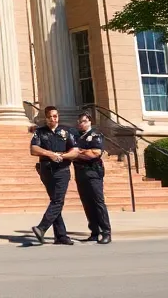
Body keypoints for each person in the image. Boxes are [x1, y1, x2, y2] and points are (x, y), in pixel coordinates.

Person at [29, 105, 78, 246]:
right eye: (50, 117)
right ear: (46, 118)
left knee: (57, 201)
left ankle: (42, 228)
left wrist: (62, 156)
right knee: (55, 201)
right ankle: (61, 236)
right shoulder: (40, 132)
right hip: (46, 170)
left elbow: (75, 151)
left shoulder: (66, 131)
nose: (53, 119)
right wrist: (50, 154)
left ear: (58, 116)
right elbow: (33, 149)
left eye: (55, 116)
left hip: (62, 170)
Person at [72, 111, 112, 244]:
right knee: (87, 203)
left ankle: (106, 232)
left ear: (89, 121)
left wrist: (78, 152)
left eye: (83, 121)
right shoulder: (77, 137)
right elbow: (73, 152)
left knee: (98, 202)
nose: (81, 124)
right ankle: (94, 231)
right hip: (80, 173)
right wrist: (81, 152)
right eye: (79, 122)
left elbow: (95, 153)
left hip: (93, 172)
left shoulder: (95, 135)